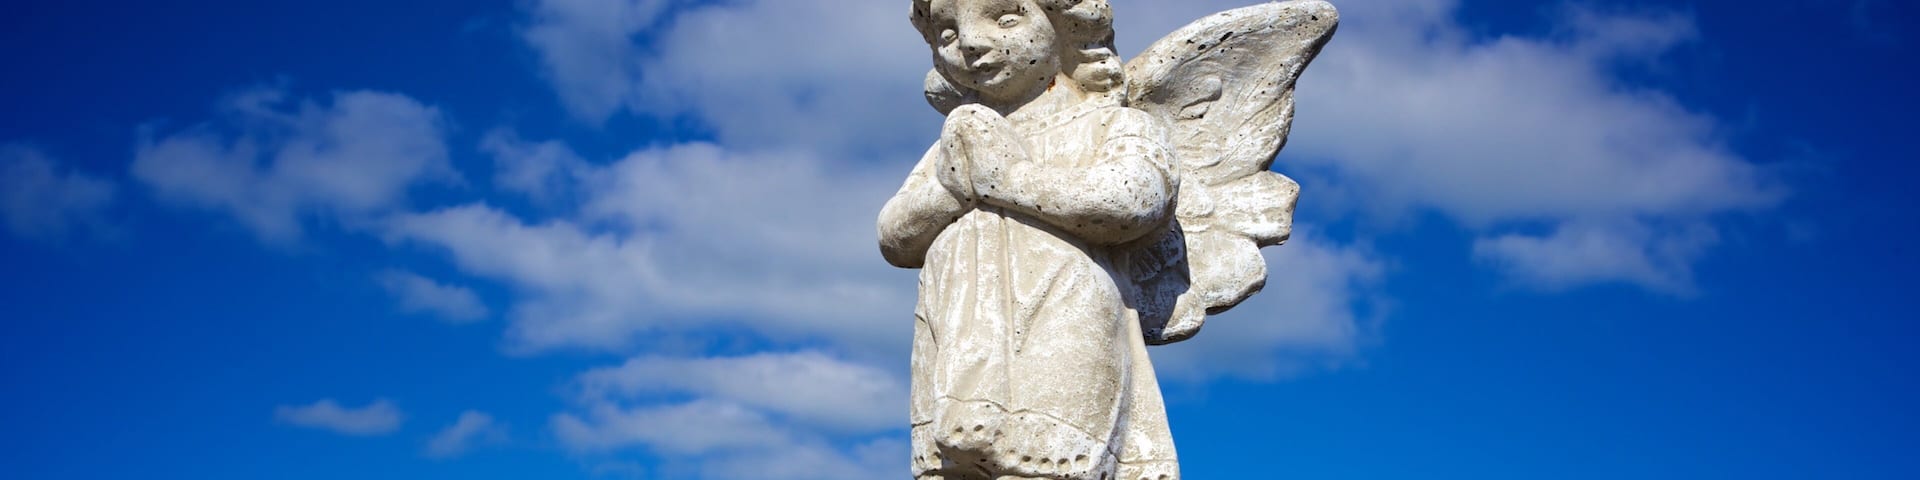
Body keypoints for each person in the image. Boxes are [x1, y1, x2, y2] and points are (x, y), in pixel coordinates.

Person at [878, 1, 1182, 478]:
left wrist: (1008, 179)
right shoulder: (950, 148)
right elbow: (895, 235)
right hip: (957, 327)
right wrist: (951, 188)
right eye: (948, 34)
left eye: (1004, 18)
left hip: (1061, 313)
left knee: (1046, 462)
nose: (972, 43)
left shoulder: (1110, 124)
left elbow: (1134, 199)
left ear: (1066, 27)